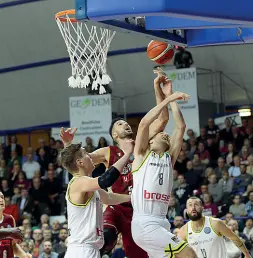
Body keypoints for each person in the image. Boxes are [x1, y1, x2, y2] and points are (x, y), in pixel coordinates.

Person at [60, 68, 171, 258]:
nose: (125, 124)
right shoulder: (107, 152)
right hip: (114, 208)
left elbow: (163, 118)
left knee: (138, 253)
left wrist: (158, 89)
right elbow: (76, 163)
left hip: (136, 206)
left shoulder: (141, 145)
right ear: (114, 134)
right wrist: (68, 144)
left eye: (126, 123)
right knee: (108, 234)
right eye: (120, 124)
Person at [131, 90, 197, 258]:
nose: (165, 134)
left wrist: (168, 92)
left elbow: (180, 126)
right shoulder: (140, 155)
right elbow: (145, 122)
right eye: (161, 133)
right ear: (150, 141)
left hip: (162, 222)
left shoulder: (169, 159)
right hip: (145, 223)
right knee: (189, 254)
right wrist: (170, 98)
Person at [59, 138, 135, 258]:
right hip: (81, 250)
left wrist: (133, 198)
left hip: (89, 250)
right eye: (86, 154)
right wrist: (127, 155)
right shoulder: (78, 182)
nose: (90, 156)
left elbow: (109, 197)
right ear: (80, 163)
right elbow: (106, 180)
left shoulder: (88, 185)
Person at [177, 197, 252, 258]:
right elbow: (177, 252)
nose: (193, 207)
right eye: (190, 205)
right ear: (186, 211)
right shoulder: (183, 231)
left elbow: (234, 238)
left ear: (202, 208)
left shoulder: (216, 223)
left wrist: (247, 254)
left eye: (196, 204)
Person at [0, 191, 31, 258]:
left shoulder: (10, 219)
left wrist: (24, 256)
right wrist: (9, 232)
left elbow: (13, 245)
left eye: (2, 197)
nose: (1, 200)